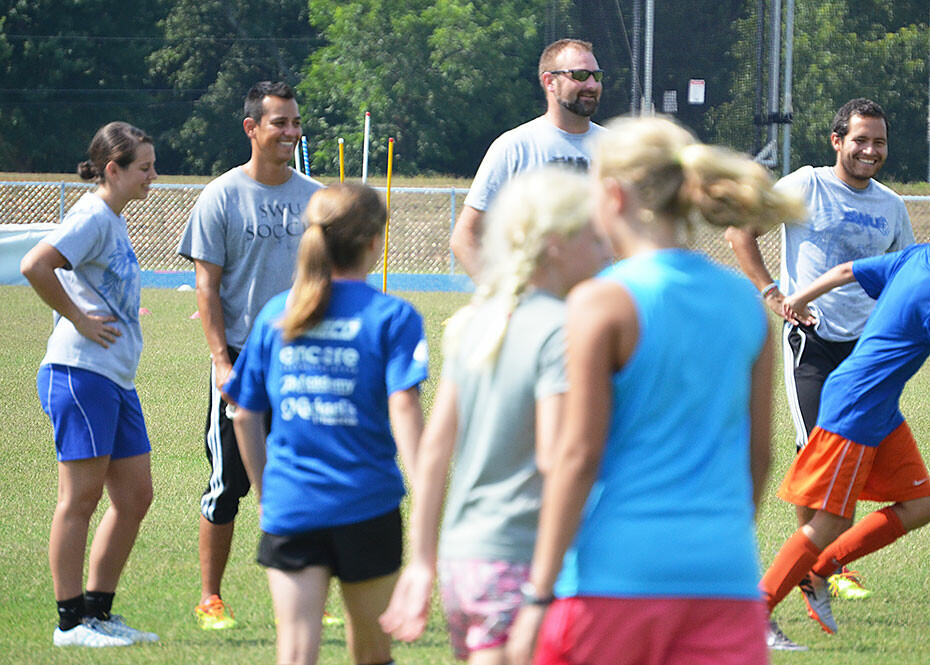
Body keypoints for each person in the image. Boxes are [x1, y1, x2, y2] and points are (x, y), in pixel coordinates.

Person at [507, 116, 807, 665]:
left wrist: (537, 593)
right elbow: (757, 457)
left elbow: (576, 457)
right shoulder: (744, 304)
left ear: (614, 196)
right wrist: (711, 542)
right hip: (725, 576)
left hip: (613, 578)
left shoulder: (602, 302)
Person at [379, 167, 611, 664]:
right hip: (523, 558)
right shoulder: (561, 331)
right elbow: (558, 457)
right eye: (594, 238)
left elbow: (435, 451)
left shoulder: (478, 321)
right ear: (555, 244)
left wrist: (421, 562)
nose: (606, 252)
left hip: (464, 560)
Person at [222, 182, 427, 665]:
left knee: (295, 653)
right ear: (374, 240)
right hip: (368, 503)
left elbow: (244, 413)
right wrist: (424, 497)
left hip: (292, 506)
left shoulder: (277, 313)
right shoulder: (392, 316)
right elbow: (405, 412)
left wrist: (266, 492)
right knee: (373, 652)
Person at [725, 98, 914, 610]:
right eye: (860, 140)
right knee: (821, 457)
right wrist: (773, 294)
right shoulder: (805, 185)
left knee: (853, 463)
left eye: (878, 142)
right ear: (837, 141)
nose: (870, 151)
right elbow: (740, 232)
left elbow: (900, 279)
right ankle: (822, 572)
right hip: (811, 341)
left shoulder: (892, 206)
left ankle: (820, 566)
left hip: (866, 353)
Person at [177, 81, 324, 630]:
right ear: (251, 128)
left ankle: (312, 593)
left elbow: (326, 278)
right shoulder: (220, 195)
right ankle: (210, 598)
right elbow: (206, 288)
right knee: (228, 484)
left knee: (305, 477)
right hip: (242, 361)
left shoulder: (314, 196)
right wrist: (221, 362)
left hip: (302, 360)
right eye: (279, 122)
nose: (290, 132)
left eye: (294, 122)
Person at [20, 122, 160, 647]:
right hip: (80, 374)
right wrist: (78, 319)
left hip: (114, 378)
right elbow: (37, 265)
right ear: (112, 170)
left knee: (135, 496)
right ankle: (69, 622)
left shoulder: (114, 220)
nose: (153, 176)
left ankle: (98, 611)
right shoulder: (91, 215)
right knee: (79, 501)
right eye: (143, 167)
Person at [759, 244, 930, 644]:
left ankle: (819, 571)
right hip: (856, 407)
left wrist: (798, 297)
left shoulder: (919, 256)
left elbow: (846, 270)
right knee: (832, 521)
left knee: (922, 503)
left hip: (877, 407)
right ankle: (756, 611)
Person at [450, 38, 605, 277]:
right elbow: (465, 237)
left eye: (597, 76)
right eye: (581, 75)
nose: (592, 85)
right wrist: (501, 299)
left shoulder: (615, 149)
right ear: (550, 81)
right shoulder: (515, 147)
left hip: (599, 308)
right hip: (535, 308)